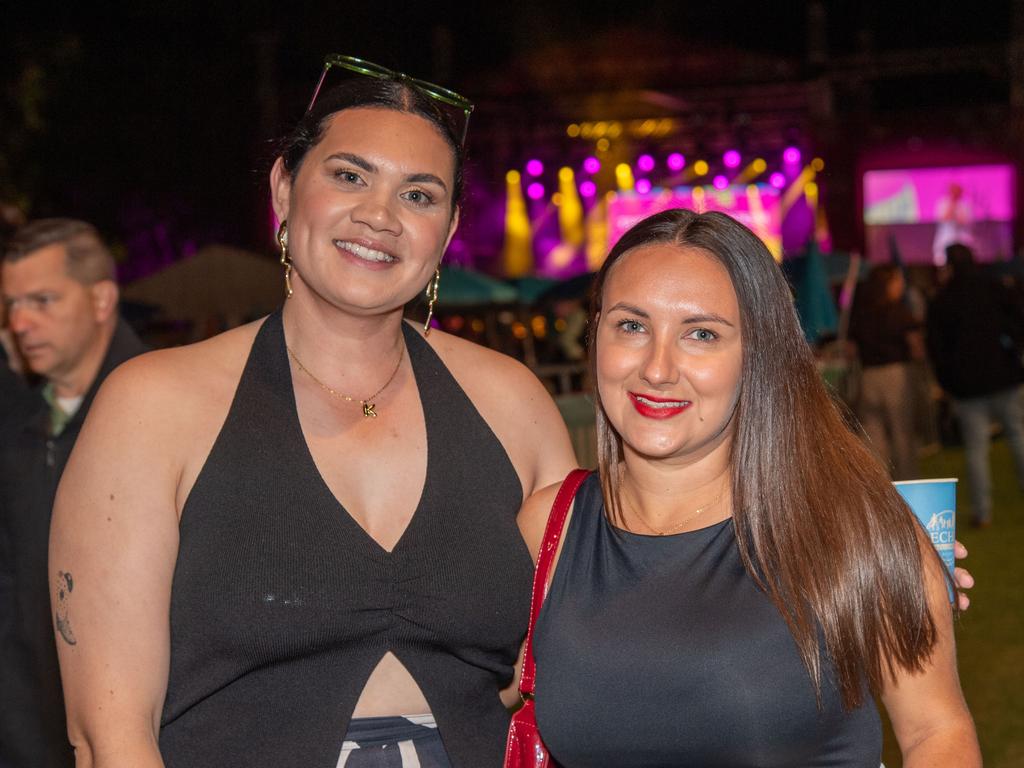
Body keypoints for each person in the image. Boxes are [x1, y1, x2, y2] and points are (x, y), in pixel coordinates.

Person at [49, 57, 576, 768]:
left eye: (419, 195)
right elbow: (110, 737)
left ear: (448, 230)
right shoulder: (153, 406)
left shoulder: (512, 403)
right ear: (284, 189)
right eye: (349, 176)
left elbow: (565, 666)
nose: (379, 217)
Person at [519, 209, 981, 767]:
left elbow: (938, 731)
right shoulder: (550, 525)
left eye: (702, 334)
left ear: (757, 356)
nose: (658, 369)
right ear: (595, 337)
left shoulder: (850, 522)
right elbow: (475, 686)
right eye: (632, 326)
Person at [0, 218, 147, 768]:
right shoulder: (21, 423)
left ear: (102, 299)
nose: (21, 322)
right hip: (27, 735)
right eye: (11, 305)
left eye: (42, 300)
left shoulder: (165, 412)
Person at [927, 242, 1024, 527]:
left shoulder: (943, 299)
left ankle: (982, 512)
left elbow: (937, 348)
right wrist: (1012, 351)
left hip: (967, 387)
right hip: (1004, 376)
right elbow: (1018, 318)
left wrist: (949, 382)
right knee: (1018, 435)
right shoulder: (993, 287)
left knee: (976, 448)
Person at [848, 263, 923, 479]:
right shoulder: (899, 312)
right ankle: (909, 482)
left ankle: (877, 485)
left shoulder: (862, 314)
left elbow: (851, 350)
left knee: (872, 436)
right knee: (902, 434)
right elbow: (915, 346)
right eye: (898, 280)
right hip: (896, 375)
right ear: (888, 284)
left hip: (869, 377)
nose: (901, 285)